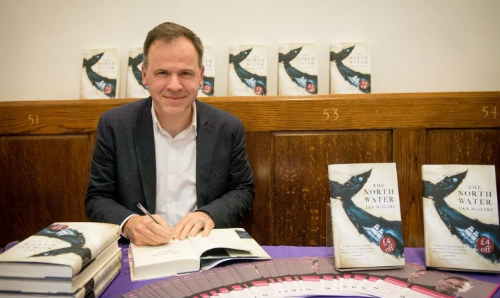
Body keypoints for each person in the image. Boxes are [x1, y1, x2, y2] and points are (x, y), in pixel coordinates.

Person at [85, 22, 255, 246]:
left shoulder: (227, 127)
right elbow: (97, 198)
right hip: (141, 251)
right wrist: (130, 223)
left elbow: (242, 189)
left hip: (204, 248)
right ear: (144, 75)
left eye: (185, 73)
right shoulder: (115, 125)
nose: (174, 86)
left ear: (201, 75)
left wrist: (209, 214)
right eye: (162, 73)